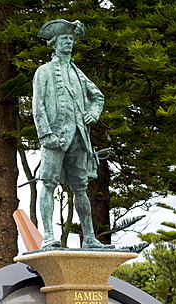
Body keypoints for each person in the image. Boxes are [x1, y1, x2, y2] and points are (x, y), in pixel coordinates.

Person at [33, 19, 113, 250]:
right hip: (55, 137)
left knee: (81, 189)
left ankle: (89, 237)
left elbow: (97, 96)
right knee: (48, 183)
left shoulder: (79, 74)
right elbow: (38, 106)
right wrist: (46, 134)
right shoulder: (44, 72)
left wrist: (92, 113)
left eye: (71, 39)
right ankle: (48, 236)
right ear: (54, 44)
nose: (68, 43)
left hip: (79, 136)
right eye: (63, 39)